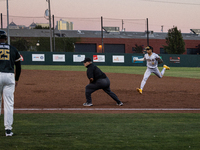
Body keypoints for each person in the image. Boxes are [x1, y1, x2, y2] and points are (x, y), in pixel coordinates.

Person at [0, 30, 22, 136]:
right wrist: (16, 79)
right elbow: (18, 66)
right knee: (9, 104)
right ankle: (8, 130)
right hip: (9, 76)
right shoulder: (13, 49)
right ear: (5, 38)